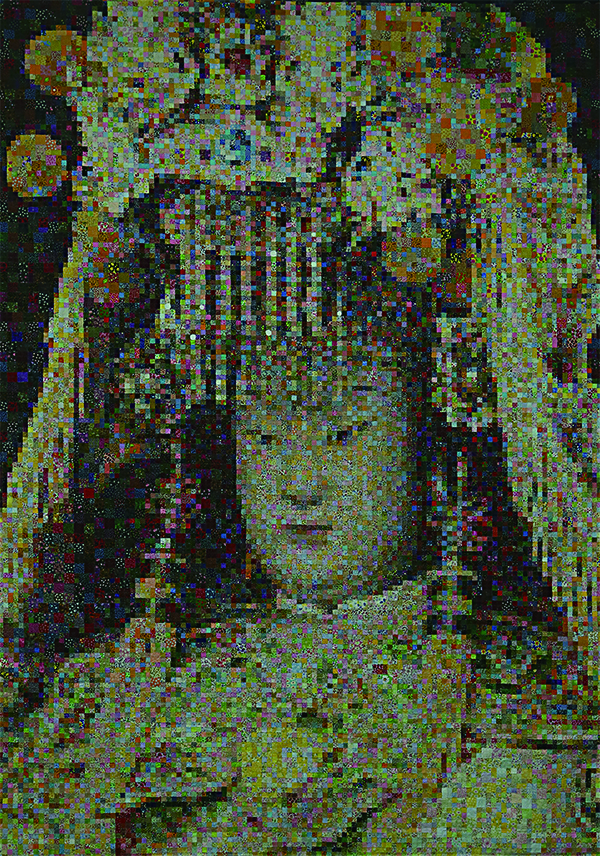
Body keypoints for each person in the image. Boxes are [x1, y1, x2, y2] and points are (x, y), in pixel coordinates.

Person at [1, 2, 598, 853]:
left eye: (346, 433)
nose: (299, 483)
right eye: (265, 437)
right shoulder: (112, 703)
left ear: (433, 438)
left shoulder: (523, 728)